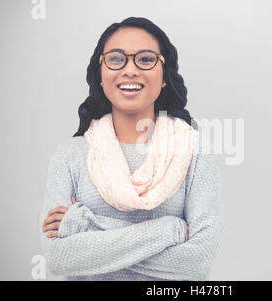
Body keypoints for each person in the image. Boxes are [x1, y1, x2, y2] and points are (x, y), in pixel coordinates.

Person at [39, 17, 223, 281]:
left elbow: (198, 262)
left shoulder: (192, 151)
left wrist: (86, 226)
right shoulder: (69, 155)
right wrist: (169, 230)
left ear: (164, 77)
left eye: (146, 59)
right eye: (116, 59)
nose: (130, 70)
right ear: (101, 74)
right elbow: (60, 258)